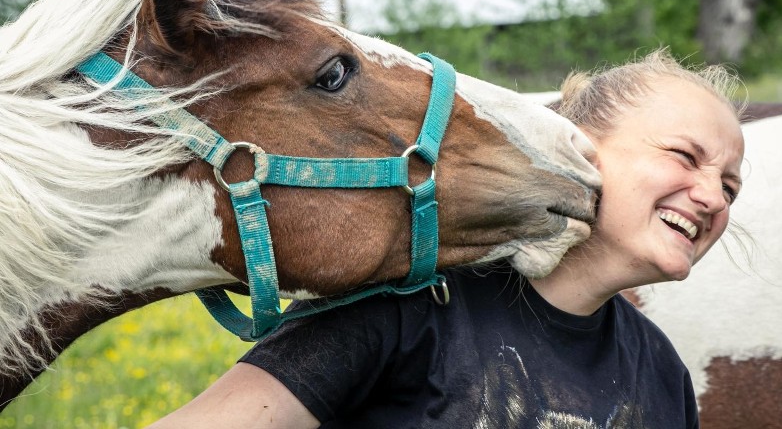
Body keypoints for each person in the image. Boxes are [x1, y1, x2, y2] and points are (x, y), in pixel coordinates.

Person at [149, 49, 745, 429]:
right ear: (574, 141)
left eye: (729, 187)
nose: (713, 198)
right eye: (684, 157)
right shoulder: (408, 305)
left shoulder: (664, 374)